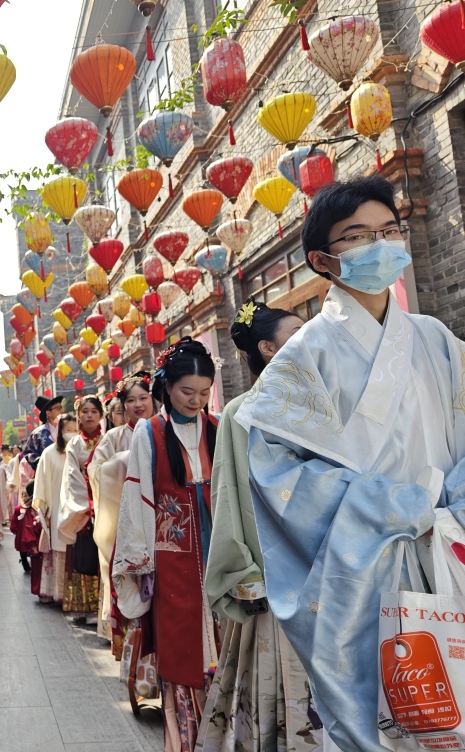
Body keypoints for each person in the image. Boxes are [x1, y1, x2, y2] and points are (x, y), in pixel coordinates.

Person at [236, 177, 465, 751]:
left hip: (450, 546)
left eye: (390, 231)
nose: (381, 245)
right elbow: (279, 479)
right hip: (362, 568)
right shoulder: (301, 358)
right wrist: (400, 509)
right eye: (359, 237)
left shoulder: (436, 339)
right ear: (323, 260)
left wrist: (452, 513)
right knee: (381, 721)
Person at [198, 301, 316, 751]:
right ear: (268, 348)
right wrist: (243, 572)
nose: (310, 338)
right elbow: (229, 495)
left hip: (341, 564)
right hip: (280, 574)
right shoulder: (242, 412)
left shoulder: (330, 398)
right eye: (297, 332)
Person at [114, 337, 219, 752]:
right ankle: (186, 737)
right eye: (187, 392)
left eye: (205, 393)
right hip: (170, 554)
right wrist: (140, 563)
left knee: (224, 637)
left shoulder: (218, 428)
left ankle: (224, 730)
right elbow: (136, 499)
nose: (196, 401)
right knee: (180, 644)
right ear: (167, 388)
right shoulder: (149, 432)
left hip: (217, 547)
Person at [86, 373, 155, 644]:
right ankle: (126, 640)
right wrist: (123, 464)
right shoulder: (113, 438)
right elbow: (95, 470)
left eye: (144, 398)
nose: (138, 405)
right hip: (122, 518)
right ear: (122, 405)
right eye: (131, 400)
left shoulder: (164, 429)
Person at [58, 396, 104, 620]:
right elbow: (72, 477)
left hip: (105, 501)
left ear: (101, 415)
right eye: (85, 412)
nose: (89, 416)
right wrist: (87, 505)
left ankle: (100, 606)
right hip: (85, 506)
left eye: (94, 411)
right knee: (84, 553)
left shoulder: (107, 439)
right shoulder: (74, 444)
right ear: (78, 416)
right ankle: (83, 605)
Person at [31, 413, 78, 604]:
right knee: (58, 550)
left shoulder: (81, 451)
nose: (72, 434)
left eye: (76, 430)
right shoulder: (49, 454)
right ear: (59, 432)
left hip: (78, 510)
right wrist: (46, 511)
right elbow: (41, 483)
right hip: (57, 509)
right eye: (68, 430)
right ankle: (56, 592)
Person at [22, 395, 64, 474]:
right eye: (58, 408)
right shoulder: (38, 434)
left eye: (62, 407)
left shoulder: (68, 428)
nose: (62, 411)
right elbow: (29, 454)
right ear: (48, 413)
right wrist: (44, 462)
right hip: (47, 473)